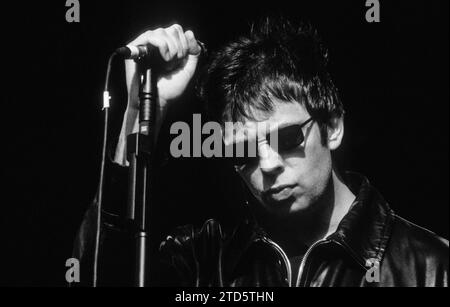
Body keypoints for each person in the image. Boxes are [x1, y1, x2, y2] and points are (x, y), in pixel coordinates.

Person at [74, 18, 448, 287]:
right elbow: (100, 276)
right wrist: (139, 114)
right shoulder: (207, 262)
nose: (267, 164)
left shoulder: (431, 267)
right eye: (245, 150)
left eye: (287, 139)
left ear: (332, 127)